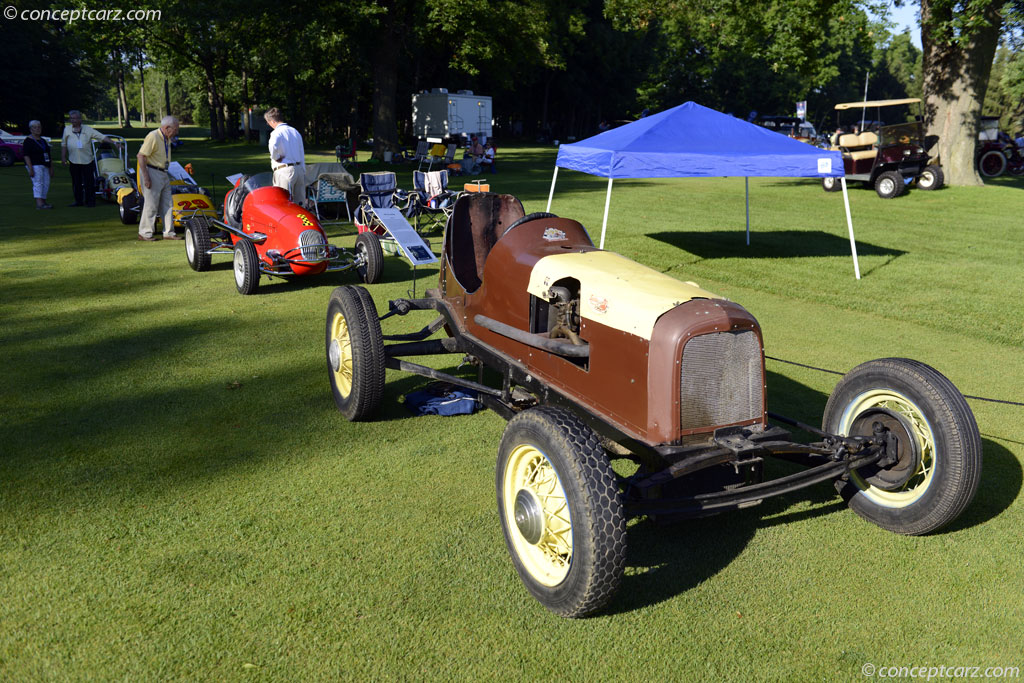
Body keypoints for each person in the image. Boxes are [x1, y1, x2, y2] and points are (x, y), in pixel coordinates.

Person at [60, 110, 120, 207]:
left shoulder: (88, 129)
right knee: (76, 182)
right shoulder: (67, 130)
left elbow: (102, 137)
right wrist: (63, 157)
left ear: (80, 119)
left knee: (89, 182)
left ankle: (90, 201)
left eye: (75, 118)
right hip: (73, 160)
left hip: (87, 161)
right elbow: (63, 144)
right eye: (71, 119)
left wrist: (114, 143)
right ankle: (78, 201)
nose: (73, 121)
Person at [136, 116, 180, 241]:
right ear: (167, 128)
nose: (176, 132)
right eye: (175, 129)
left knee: (168, 203)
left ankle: (169, 232)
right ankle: (145, 233)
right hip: (152, 171)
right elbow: (141, 156)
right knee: (151, 204)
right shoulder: (153, 136)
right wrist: (146, 177)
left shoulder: (166, 138)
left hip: (163, 172)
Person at [264, 107, 305, 203]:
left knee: (283, 202)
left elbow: (273, 146)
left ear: (272, 121)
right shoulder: (295, 131)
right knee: (300, 203)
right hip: (299, 169)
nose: (268, 124)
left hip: (285, 171)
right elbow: (301, 151)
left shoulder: (276, 133)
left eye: (268, 122)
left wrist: (276, 157)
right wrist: (302, 169)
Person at [23, 120, 53, 209]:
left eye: (39, 127)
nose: (37, 129)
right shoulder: (28, 141)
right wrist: (30, 168)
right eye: (35, 127)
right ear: (31, 129)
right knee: (38, 183)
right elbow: (26, 155)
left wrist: (51, 167)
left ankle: (43, 201)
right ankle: (39, 203)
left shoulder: (43, 140)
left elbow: (48, 154)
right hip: (35, 165)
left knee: (46, 183)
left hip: (45, 165)